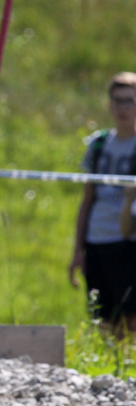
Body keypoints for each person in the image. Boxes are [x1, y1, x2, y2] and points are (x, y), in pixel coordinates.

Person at [69, 72, 136, 335]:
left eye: (130, 101)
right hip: (98, 240)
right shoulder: (98, 144)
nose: (124, 108)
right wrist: (77, 249)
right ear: (109, 105)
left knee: (131, 319)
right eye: (118, 101)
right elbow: (86, 200)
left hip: (130, 242)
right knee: (103, 318)